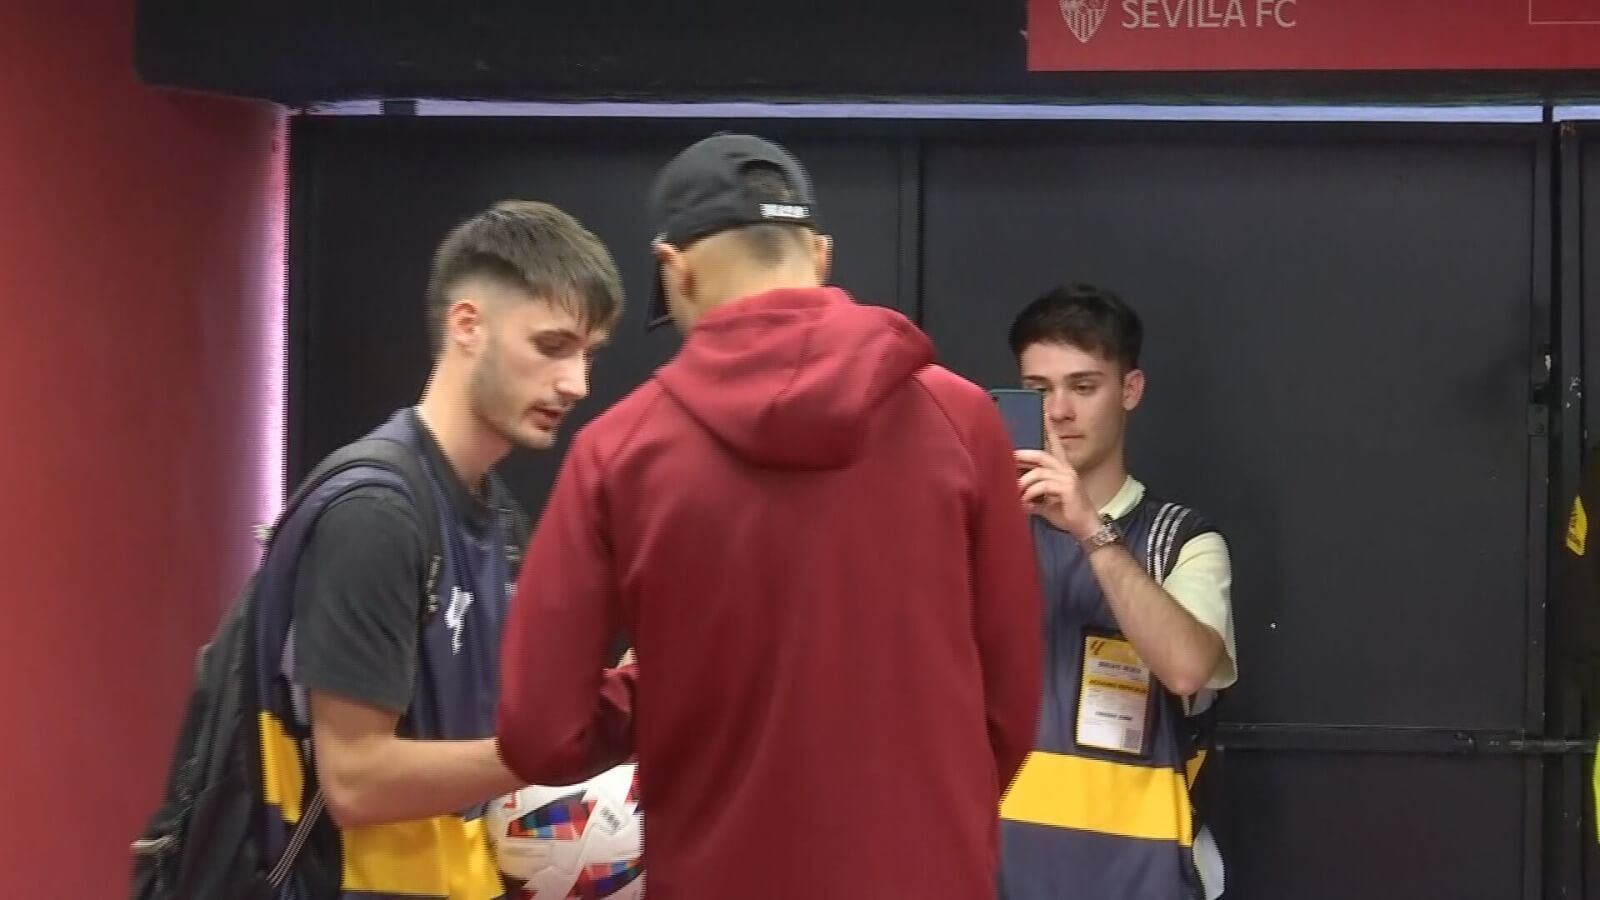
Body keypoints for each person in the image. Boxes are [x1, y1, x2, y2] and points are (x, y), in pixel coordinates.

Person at [494, 133, 1044, 900]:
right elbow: (1011, 703)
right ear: (818, 256)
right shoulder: (960, 420)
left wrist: (682, 680)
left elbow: (541, 733)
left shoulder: (617, 453)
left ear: (674, 269)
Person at [255, 200, 622, 899]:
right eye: (552, 346)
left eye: (587, 354)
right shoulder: (378, 512)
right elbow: (356, 782)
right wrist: (552, 754)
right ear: (467, 326)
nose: (577, 384)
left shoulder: (497, 519)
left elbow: (485, 744)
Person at [999, 284, 1238, 900]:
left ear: (1129, 391)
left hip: (1140, 879)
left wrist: (1089, 530)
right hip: (996, 874)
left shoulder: (1178, 540)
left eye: (1083, 387)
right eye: (1037, 390)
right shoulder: (982, 534)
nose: (1058, 411)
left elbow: (1188, 670)